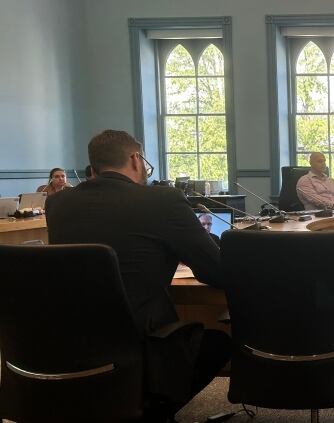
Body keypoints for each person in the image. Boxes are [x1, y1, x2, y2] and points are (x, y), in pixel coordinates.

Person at [45, 130, 230, 421]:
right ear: (135, 159)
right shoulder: (163, 201)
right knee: (219, 342)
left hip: (64, 344)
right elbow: (218, 272)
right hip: (137, 346)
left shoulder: (57, 204)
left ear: (93, 167)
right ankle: (150, 412)